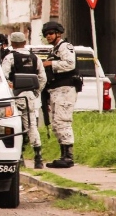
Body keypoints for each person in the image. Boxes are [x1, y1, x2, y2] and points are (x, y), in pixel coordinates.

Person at [1, 31, 48, 169]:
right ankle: (38, 158)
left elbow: (3, 76)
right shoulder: (35, 58)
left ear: (12, 43)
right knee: (32, 126)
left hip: (15, 96)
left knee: (15, 126)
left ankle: (19, 158)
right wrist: (35, 91)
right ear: (24, 42)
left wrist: (10, 88)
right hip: (30, 97)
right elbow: (43, 78)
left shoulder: (10, 57)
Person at [41, 21, 77, 168]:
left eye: (50, 33)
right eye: (46, 34)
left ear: (58, 33)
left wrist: (51, 64)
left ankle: (68, 156)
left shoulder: (64, 47)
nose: (48, 36)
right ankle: (63, 154)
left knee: (63, 121)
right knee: (56, 123)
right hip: (56, 90)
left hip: (65, 89)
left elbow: (70, 64)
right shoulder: (54, 49)